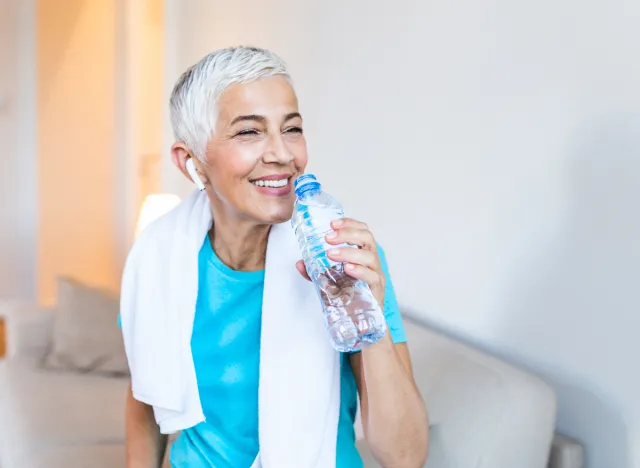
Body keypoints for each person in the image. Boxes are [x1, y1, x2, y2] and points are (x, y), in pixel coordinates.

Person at [124, 46, 429, 468]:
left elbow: (406, 457)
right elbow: (145, 396)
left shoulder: (344, 259)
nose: (283, 154)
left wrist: (368, 315)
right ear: (192, 162)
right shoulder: (155, 259)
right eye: (249, 132)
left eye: (292, 128)